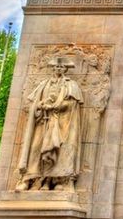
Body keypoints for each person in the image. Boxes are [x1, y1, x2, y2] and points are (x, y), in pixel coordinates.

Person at [16, 56, 84, 191]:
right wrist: (41, 106)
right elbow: (34, 103)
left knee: (59, 149)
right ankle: (32, 179)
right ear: (53, 68)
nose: (58, 68)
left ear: (65, 69)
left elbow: (72, 104)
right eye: (56, 66)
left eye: (61, 67)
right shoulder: (44, 84)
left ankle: (56, 180)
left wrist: (55, 106)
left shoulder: (71, 85)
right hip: (43, 122)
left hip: (61, 123)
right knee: (36, 147)